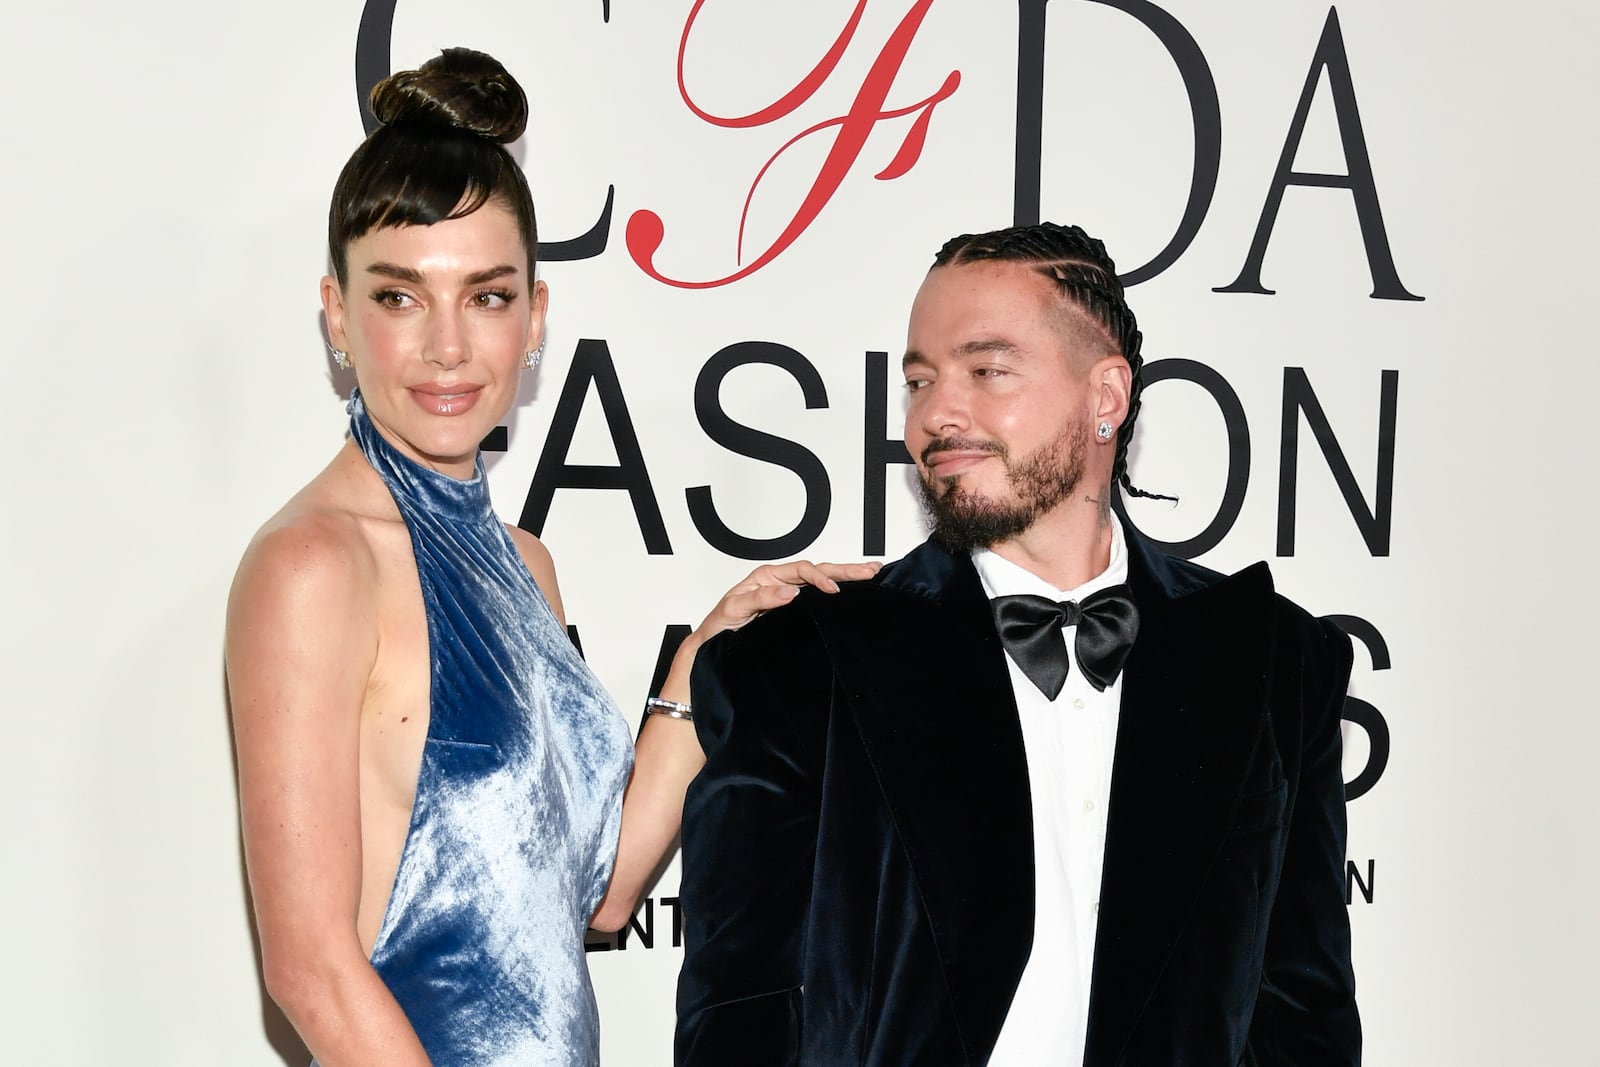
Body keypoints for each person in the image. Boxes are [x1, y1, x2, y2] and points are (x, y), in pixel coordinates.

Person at [225, 47, 871, 1067]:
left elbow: (599, 892)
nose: (448, 346)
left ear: (536, 317)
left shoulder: (524, 563)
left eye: (486, 295)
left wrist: (715, 645)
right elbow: (309, 965)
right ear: (336, 316)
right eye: (399, 296)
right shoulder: (311, 566)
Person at [675, 222, 1361, 1065]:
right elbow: (740, 1007)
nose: (936, 413)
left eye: (987, 371)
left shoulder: (1275, 663)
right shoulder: (805, 662)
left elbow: (1302, 1014)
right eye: (919, 380)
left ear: (1106, 397)